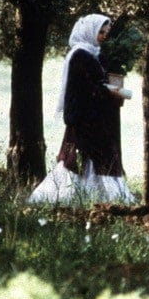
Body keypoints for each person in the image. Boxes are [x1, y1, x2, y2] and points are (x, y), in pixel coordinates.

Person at [29, 14, 136, 204]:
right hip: (84, 118)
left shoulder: (95, 54)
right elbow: (83, 88)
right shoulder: (80, 55)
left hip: (96, 118)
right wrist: (106, 91)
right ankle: (68, 199)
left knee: (98, 159)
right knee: (80, 161)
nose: (103, 36)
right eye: (100, 32)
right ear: (89, 31)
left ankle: (103, 201)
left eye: (105, 32)